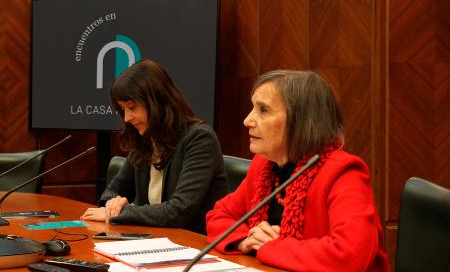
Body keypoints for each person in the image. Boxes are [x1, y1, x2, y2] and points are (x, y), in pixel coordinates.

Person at [206, 70, 389, 271]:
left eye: (264, 110)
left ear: (301, 121)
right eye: (253, 108)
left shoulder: (343, 173)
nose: (247, 120)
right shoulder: (264, 165)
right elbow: (219, 216)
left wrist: (272, 248)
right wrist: (245, 240)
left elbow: (350, 255)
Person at [81, 59, 228, 234]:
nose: (127, 118)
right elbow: (113, 190)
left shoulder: (199, 139)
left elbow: (177, 211)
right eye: (123, 109)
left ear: (157, 102)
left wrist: (120, 212)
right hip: (154, 239)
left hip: (195, 245)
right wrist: (112, 204)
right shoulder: (145, 139)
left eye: (132, 107)